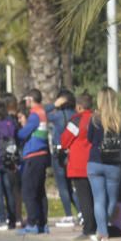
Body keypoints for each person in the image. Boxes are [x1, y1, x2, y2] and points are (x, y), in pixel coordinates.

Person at [86, 87, 121, 241]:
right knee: (111, 201)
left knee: (99, 200)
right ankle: (103, 232)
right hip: (114, 163)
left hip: (95, 161)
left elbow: (89, 138)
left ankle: (103, 234)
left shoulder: (94, 119)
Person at [60, 92, 97, 240]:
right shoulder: (96, 118)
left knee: (84, 198)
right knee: (96, 197)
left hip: (79, 165)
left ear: (79, 106)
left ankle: (88, 229)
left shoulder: (76, 121)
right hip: (96, 162)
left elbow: (64, 141)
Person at [16, 89, 51, 235]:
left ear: (31, 99)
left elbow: (23, 134)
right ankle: (43, 223)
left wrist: (19, 130)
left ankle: (32, 223)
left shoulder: (35, 114)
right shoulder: (42, 111)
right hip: (42, 154)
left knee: (28, 191)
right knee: (40, 191)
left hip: (33, 155)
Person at [47, 90, 78, 227]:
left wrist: (54, 104)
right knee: (72, 186)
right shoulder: (76, 115)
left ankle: (69, 215)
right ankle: (82, 212)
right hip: (73, 154)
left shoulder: (57, 116)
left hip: (59, 153)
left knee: (63, 186)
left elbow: (43, 114)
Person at [0, 99, 20, 230]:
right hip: (9, 161)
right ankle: (12, 220)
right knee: (9, 191)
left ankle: (2, 219)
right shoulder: (9, 123)